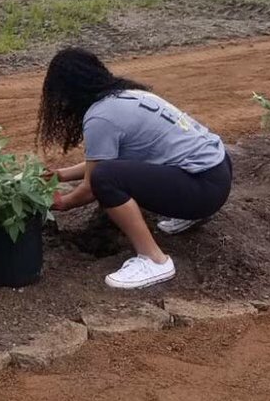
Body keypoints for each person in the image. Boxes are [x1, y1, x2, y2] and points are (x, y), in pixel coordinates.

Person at [37, 46, 232, 290]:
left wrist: (63, 203)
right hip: (219, 171)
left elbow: (92, 186)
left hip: (202, 190)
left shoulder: (100, 118)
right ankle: (191, 214)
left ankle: (154, 260)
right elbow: (102, 159)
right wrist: (61, 175)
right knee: (113, 171)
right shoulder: (129, 96)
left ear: (68, 92)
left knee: (106, 180)